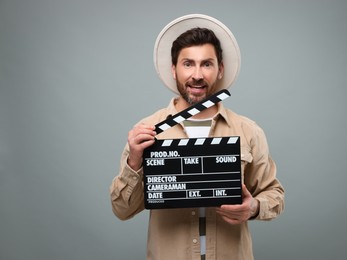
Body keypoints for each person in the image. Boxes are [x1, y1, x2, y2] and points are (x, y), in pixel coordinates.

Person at [110, 14, 284, 260]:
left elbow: (273, 194)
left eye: (207, 64)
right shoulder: (147, 130)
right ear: (174, 69)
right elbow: (122, 210)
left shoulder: (248, 131)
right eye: (188, 64)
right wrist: (135, 163)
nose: (197, 75)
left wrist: (253, 208)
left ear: (220, 69)